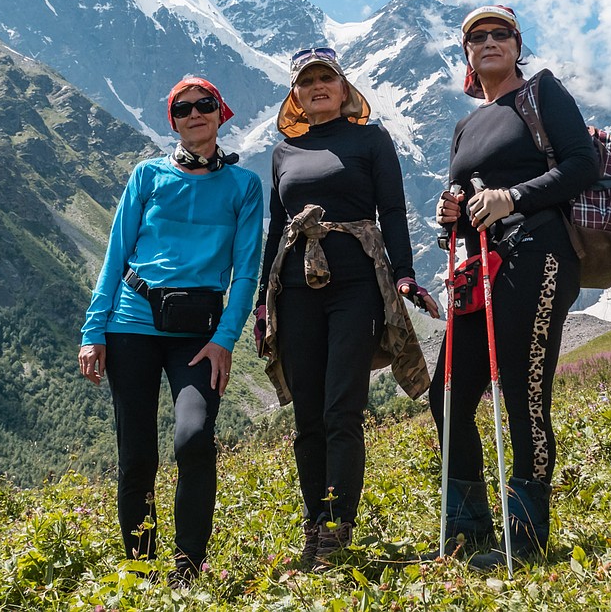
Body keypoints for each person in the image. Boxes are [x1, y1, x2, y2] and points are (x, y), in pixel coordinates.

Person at [429, 5, 599, 570]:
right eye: (477, 37)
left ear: (518, 45)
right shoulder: (464, 126)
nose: (489, 41)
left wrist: (514, 197)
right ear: (468, 55)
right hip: (482, 267)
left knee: (523, 391)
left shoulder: (543, 93)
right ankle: (467, 525)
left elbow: (582, 165)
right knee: (448, 392)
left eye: (501, 33)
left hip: (539, 253)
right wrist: (452, 212)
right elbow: (462, 208)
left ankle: (524, 538)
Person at [255, 47, 439, 568]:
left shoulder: (370, 140)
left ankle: (338, 528)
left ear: (343, 88)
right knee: (308, 415)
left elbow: (393, 210)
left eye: (326, 79)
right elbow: (277, 230)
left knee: (342, 409)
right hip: (294, 288)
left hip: (357, 284)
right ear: (296, 94)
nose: (317, 86)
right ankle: (314, 526)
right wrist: (262, 308)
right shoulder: (283, 151)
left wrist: (403, 274)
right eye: (307, 80)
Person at [78, 77, 263, 586]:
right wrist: (94, 331)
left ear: (220, 113)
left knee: (194, 439)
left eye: (205, 105)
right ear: (174, 121)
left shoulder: (244, 188)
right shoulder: (146, 176)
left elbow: (246, 273)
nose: (194, 114)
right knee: (136, 453)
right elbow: (115, 256)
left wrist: (225, 339)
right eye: (183, 109)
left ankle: (186, 571)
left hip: (198, 335)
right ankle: (140, 567)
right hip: (131, 326)